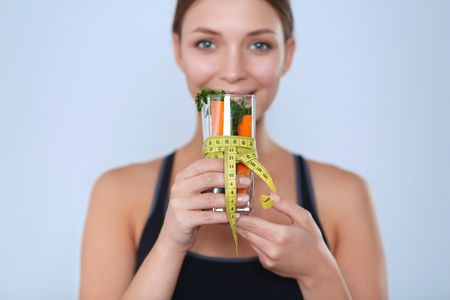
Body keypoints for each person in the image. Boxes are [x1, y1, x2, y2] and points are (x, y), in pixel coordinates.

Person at [80, 0, 387, 299]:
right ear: (178, 51)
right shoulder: (117, 193)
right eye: (206, 43)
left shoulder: (346, 195)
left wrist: (318, 273)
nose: (233, 71)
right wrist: (168, 246)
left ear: (287, 55)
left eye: (259, 45)